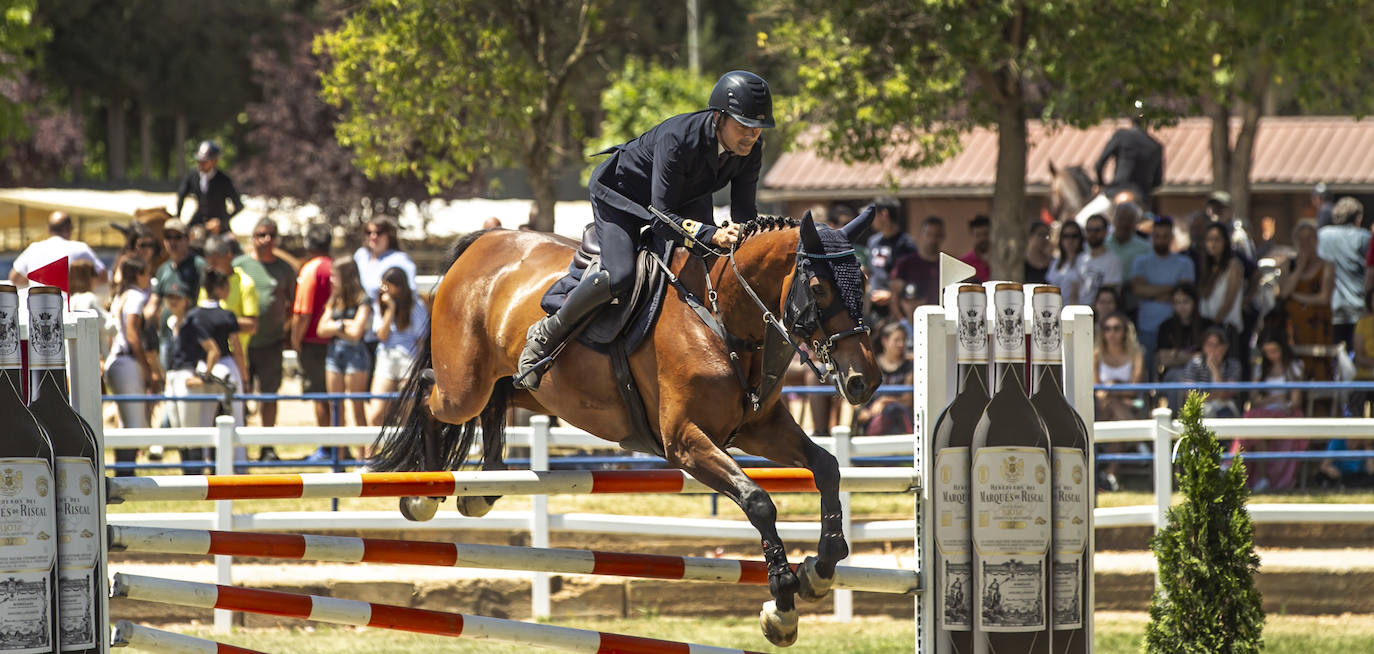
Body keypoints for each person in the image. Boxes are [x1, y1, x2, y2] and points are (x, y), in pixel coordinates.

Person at [516, 70, 774, 390]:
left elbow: (745, 214)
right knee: (620, 275)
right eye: (743, 125)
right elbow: (661, 216)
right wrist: (710, 234)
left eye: (758, 127)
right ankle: (546, 334)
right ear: (719, 117)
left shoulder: (750, 150)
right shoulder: (677, 138)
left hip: (685, 199)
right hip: (622, 197)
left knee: (709, 264)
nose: (751, 135)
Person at [235, 218, 297, 460]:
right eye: (261, 234)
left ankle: (267, 446)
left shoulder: (284, 269)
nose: (266, 239)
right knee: (241, 395)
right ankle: (239, 449)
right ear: (253, 237)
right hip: (241, 344)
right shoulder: (240, 265)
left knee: (269, 396)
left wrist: (285, 329)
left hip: (271, 343)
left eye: (271, 235)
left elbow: (293, 304)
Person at [160, 279, 219, 471]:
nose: (173, 301)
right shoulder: (171, 323)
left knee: (189, 425)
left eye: (178, 297)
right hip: (172, 375)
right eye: (170, 297)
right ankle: (186, 469)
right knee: (177, 425)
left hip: (187, 374)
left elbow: (213, 350)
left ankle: (194, 471)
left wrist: (202, 376)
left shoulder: (193, 323)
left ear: (187, 300)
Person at [1235, 332, 1305, 492]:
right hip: (1264, 414)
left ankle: (1232, 464)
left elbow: (1294, 402)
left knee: (1251, 419)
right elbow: (1253, 400)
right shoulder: (1261, 368)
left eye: (1275, 351)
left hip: (1286, 415)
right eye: (1267, 352)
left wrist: (1267, 401)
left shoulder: (1294, 367)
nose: (1271, 356)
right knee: (1256, 428)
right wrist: (1276, 399)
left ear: (1283, 349)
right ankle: (1262, 479)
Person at [104, 257, 153, 476]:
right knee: (133, 422)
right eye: (145, 274)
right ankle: (126, 473)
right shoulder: (135, 296)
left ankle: (123, 471)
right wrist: (146, 366)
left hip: (116, 360)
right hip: (127, 360)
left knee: (125, 420)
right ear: (138, 275)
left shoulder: (119, 296)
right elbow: (132, 333)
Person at [316, 257, 372, 440]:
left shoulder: (363, 299)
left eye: (335, 276)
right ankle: (337, 458)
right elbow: (321, 329)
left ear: (346, 277)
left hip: (355, 354)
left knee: (357, 407)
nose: (331, 279)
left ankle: (362, 456)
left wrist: (335, 326)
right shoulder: (335, 298)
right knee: (336, 407)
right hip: (334, 354)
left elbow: (357, 332)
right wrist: (342, 325)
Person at [144, 219, 208, 374]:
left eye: (177, 237)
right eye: (168, 238)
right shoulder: (163, 269)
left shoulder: (198, 265)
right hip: (167, 336)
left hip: (192, 337)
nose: (172, 242)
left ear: (187, 239)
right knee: (170, 385)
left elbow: (206, 300)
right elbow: (152, 304)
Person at [368, 266, 429, 427]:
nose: (383, 289)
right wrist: (390, 310)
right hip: (386, 359)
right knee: (376, 414)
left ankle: (407, 452)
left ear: (399, 287)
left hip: (408, 360)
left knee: (407, 415)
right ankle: (369, 452)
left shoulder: (416, 306)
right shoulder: (380, 304)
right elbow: (382, 335)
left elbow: (421, 339)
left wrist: (419, 369)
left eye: (387, 285)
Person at [353, 216, 417, 367]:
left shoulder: (400, 260)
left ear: (389, 235)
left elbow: (409, 292)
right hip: (359, 329)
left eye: (379, 232)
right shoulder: (361, 255)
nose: (373, 237)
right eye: (368, 232)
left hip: (387, 332)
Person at [1131, 215, 1195, 361]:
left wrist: (1150, 292)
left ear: (1171, 237)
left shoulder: (1185, 263)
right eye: (1157, 236)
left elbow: (1185, 293)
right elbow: (1138, 290)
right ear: (1152, 236)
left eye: (1165, 236)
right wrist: (1172, 289)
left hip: (1176, 326)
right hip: (1147, 327)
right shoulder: (1141, 262)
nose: (1161, 240)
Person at [1278, 221, 1334, 386]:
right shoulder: (1287, 265)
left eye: (1310, 238)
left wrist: (1298, 297)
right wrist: (1300, 267)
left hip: (1318, 329)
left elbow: (1324, 297)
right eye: (1301, 239)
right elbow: (1284, 293)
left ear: (1316, 240)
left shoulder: (1327, 266)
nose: (1306, 243)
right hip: (1292, 330)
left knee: (1320, 372)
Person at [1094, 312, 1145, 491]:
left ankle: (1110, 474)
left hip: (1130, 406)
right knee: (1112, 407)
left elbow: (1134, 390)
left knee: (1115, 414)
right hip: (1103, 409)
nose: (1112, 333)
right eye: (1107, 329)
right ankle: (1138, 439)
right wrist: (1116, 390)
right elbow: (1096, 390)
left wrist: (1111, 387)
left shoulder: (1136, 354)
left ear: (1125, 331)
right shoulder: (1096, 354)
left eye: (1117, 328)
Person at [291, 224, 334, 429]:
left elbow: (304, 311)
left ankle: (327, 446)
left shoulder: (310, 269)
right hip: (334, 339)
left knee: (319, 395)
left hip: (313, 342)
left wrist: (295, 339)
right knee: (334, 397)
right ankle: (338, 447)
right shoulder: (335, 267)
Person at [1318, 197, 1370, 350]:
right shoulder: (1363, 237)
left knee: (1333, 356)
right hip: (1358, 306)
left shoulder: (1322, 235)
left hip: (1329, 306)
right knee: (1356, 355)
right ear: (1358, 217)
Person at [9, 210, 106, 290]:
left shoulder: (33, 249)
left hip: (39, 308)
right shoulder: (80, 249)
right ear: (70, 229)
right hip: (70, 308)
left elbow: (15, 278)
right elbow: (102, 277)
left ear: (48, 229)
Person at [1094, 102, 1164, 212]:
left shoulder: (1121, 136)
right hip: (1141, 197)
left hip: (1115, 192)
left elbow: (1099, 164)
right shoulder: (1156, 146)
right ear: (1149, 122)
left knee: (1080, 221)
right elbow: (1157, 182)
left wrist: (1101, 185)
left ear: (1132, 120)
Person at [1155, 283, 1215, 411]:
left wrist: (1178, 356)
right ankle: (1179, 419)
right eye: (1177, 303)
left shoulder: (1207, 325)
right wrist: (1195, 356)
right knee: (1179, 379)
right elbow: (1164, 359)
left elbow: (1212, 355)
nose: (1181, 307)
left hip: (1203, 372)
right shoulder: (1166, 326)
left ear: (1195, 302)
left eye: (1185, 302)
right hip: (1174, 374)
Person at [199, 235, 258, 362]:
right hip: (208, 357)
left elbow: (252, 326)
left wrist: (221, 320)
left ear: (228, 257)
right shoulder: (207, 283)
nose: (212, 268)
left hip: (235, 359)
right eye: (209, 263)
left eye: (215, 262)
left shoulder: (245, 283)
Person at [853, 321, 914, 436]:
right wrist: (862, 411)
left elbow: (907, 400)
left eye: (903, 340)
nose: (901, 344)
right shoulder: (871, 365)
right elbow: (858, 393)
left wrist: (884, 401)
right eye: (897, 340)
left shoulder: (909, 366)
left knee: (891, 411)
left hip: (898, 416)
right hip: (871, 416)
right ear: (884, 341)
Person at [175, 140, 244, 232]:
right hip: (198, 220)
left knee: (231, 242)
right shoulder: (192, 176)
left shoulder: (224, 180)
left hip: (219, 224)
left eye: (204, 161)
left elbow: (239, 206)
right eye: (199, 160)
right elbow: (181, 195)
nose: (200, 164)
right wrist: (178, 217)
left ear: (214, 161)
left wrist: (222, 222)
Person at [864, 198, 917, 316]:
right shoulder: (873, 242)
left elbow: (914, 279)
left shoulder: (906, 245)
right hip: (873, 309)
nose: (870, 220)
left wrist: (890, 295)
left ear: (884, 214)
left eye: (873, 215)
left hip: (897, 311)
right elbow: (870, 271)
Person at [1180, 326, 1242, 418]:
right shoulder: (1194, 363)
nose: (1213, 350)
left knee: (1225, 414)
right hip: (1201, 405)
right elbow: (1190, 395)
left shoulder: (1233, 365)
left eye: (1216, 346)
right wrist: (1214, 396)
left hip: (1225, 406)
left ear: (1225, 347)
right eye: (1209, 345)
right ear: (1203, 347)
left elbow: (1227, 393)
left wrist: (1214, 369)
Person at [1197, 222, 1244, 333]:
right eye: (1209, 240)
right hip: (1206, 325)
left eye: (1217, 239)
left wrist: (1214, 324)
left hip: (1225, 326)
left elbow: (1229, 301)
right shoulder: (1207, 267)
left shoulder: (1234, 265)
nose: (1212, 244)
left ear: (1225, 242)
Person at [889, 216, 946, 308]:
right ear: (921, 235)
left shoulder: (948, 265)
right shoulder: (905, 263)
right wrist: (902, 321)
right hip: (912, 319)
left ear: (943, 237)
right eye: (928, 234)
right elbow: (894, 297)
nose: (932, 240)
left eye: (937, 235)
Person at [1077, 214, 1122, 305]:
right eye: (1089, 230)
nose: (1092, 234)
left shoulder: (1113, 261)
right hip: (1078, 311)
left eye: (1097, 230)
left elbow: (1108, 295)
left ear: (1106, 232)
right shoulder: (1080, 259)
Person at [1047, 220, 1085, 303]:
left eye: (1074, 236)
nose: (1070, 240)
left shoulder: (1086, 261)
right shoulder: (1055, 263)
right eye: (1066, 236)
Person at [958, 215, 992, 284]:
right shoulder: (964, 263)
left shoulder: (1001, 262)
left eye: (986, 234)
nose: (982, 238)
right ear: (972, 236)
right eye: (978, 235)